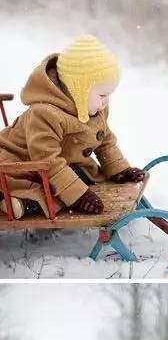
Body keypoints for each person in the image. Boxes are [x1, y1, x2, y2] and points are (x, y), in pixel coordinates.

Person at [0, 35, 145, 219]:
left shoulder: (91, 109)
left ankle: (35, 198)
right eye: (102, 95)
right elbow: (48, 161)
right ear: (79, 90)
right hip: (18, 162)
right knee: (45, 191)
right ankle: (18, 202)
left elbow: (105, 139)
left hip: (56, 165)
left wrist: (119, 170)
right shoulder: (43, 114)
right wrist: (79, 195)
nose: (105, 102)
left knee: (82, 176)